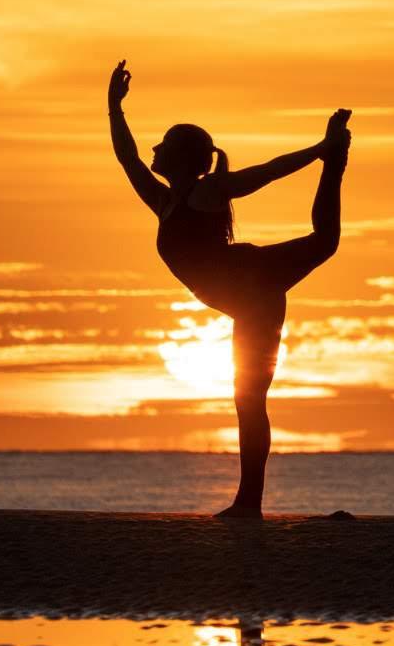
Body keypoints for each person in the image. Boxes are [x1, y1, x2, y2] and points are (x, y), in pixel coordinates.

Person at [107, 58, 350, 517]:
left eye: (164, 145)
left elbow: (270, 171)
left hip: (255, 283)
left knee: (250, 399)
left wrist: (318, 149)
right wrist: (114, 108)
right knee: (247, 401)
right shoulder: (165, 202)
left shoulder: (207, 193)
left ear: (180, 158)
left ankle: (334, 160)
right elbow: (127, 157)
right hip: (248, 299)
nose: (154, 149)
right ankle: (248, 504)